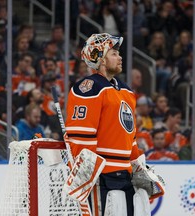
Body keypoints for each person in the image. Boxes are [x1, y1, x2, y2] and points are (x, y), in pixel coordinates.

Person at [65, 33, 164, 216]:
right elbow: (81, 137)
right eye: (114, 53)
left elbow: (130, 136)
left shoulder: (126, 90)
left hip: (125, 176)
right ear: (101, 59)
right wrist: (88, 178)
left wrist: (137, 168)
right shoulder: (88, 88)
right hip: (102, 179)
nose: (119, 57)